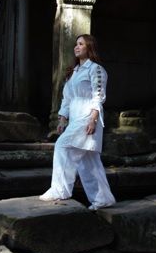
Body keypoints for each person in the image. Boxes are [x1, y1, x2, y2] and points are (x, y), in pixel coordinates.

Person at [39, 34, 116, 210]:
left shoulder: (96, 69)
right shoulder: (73, 72)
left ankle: (60, 190)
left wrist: (93, 119)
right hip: (75, 117)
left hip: (87, 117)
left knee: (62, 145)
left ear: (89, 47)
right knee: (88, 161)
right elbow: (67, 98)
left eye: (81, 44)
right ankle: (103, 198)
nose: (77, 47)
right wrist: (62, 119)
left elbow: (98, 95)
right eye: (76, 44)